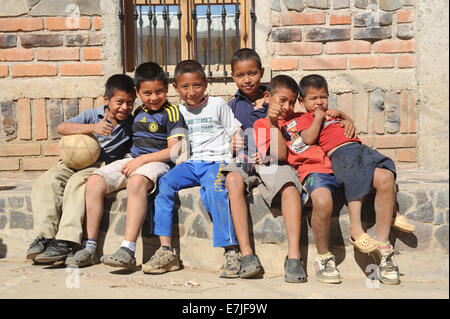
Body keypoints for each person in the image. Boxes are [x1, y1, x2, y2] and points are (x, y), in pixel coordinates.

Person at [65, 62, 187, 268]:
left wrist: (140, 160)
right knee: (95, 180)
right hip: (133, 159)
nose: (154, 97)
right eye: (147, 93)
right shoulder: (138, 112)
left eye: (159, 92)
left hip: (157, 162)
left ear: (166, 89)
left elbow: (175, 151)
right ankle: (90, 247)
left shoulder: (172, 112)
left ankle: (127, 249)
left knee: (136, 182)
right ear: (137, 92)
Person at [297, 74, 403, 285]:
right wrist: (318, 118)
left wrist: (344, 116)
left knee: (386, 175)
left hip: (359, 149)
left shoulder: (333, 114)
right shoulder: (306, 119)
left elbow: (349, 128)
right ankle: (356, 229)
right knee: (355, 177)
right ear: (302, 101)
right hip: (342, 157)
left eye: (323, 97)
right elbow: (307, 138)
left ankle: (383, 248)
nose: (319, 103)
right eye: (313, 98)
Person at [141, 60, 242, 276]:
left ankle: (231, 250)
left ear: (205, 84)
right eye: (185, 87)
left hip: (216, 162)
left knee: (215, 190)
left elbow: (235, 131)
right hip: (190, 164)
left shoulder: (217, 105)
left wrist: (237, 149)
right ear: (176, 88)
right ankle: (166, 250)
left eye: (197, 85)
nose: (192, 91)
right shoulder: (176, 112)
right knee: (165, 183)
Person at [253, 75, 357, 284]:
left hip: (326, 167)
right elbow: (281, 155)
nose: (287, 107)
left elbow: (329, 117)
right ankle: (304, 258)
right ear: (268, 97)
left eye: (292, 102)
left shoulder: (299, 117)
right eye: (282, 101)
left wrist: (346, 118)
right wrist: (274, 123)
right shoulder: (262, 124)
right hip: (301, 173)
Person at [26, 74, 136, 264]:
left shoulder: (130, 124)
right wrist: (93, 128)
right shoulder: (92, 115)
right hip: (70, 163)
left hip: (96, 166)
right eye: (119, 102)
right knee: (47, 181)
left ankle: (66, 241)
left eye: (130, 102)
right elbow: (61, 127)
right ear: (106, 99)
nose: (125, 107)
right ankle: (44, 237)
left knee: (77, 185)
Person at [223, 49, 306, 282]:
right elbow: (226, 139)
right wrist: (232, 144)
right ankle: (247, 255)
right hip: (246, 159)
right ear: (233, 77)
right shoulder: (231, 107)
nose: (247, 79)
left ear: (261, 72)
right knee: (232, 180)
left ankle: (294, 257)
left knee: (290, 186)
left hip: (274, 159)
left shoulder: (279, 99)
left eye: (252, 73)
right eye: (241, 75)